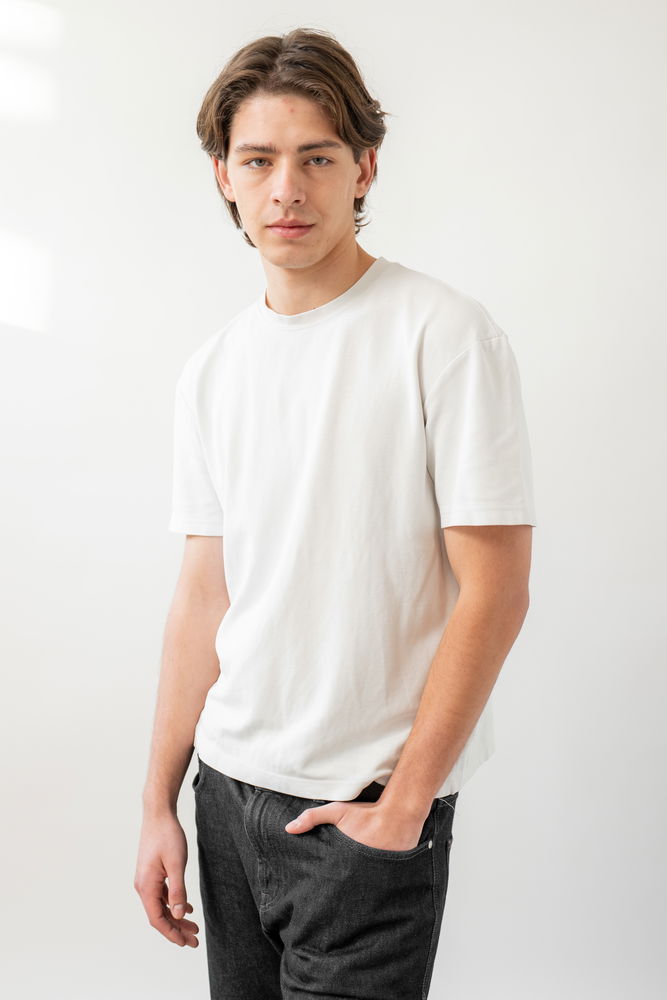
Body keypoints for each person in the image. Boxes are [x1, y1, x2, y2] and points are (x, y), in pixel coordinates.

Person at [134, 26, 537, 1000]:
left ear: (364, 167)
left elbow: (495, 590)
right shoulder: (212, 370)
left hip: (361, 814)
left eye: (316, 158)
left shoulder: (442, 335)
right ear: (224, 176)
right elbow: (203, 597)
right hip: (225, 798)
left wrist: (402, 808)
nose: (287, 189)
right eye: (258, 160)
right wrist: (157, 804)